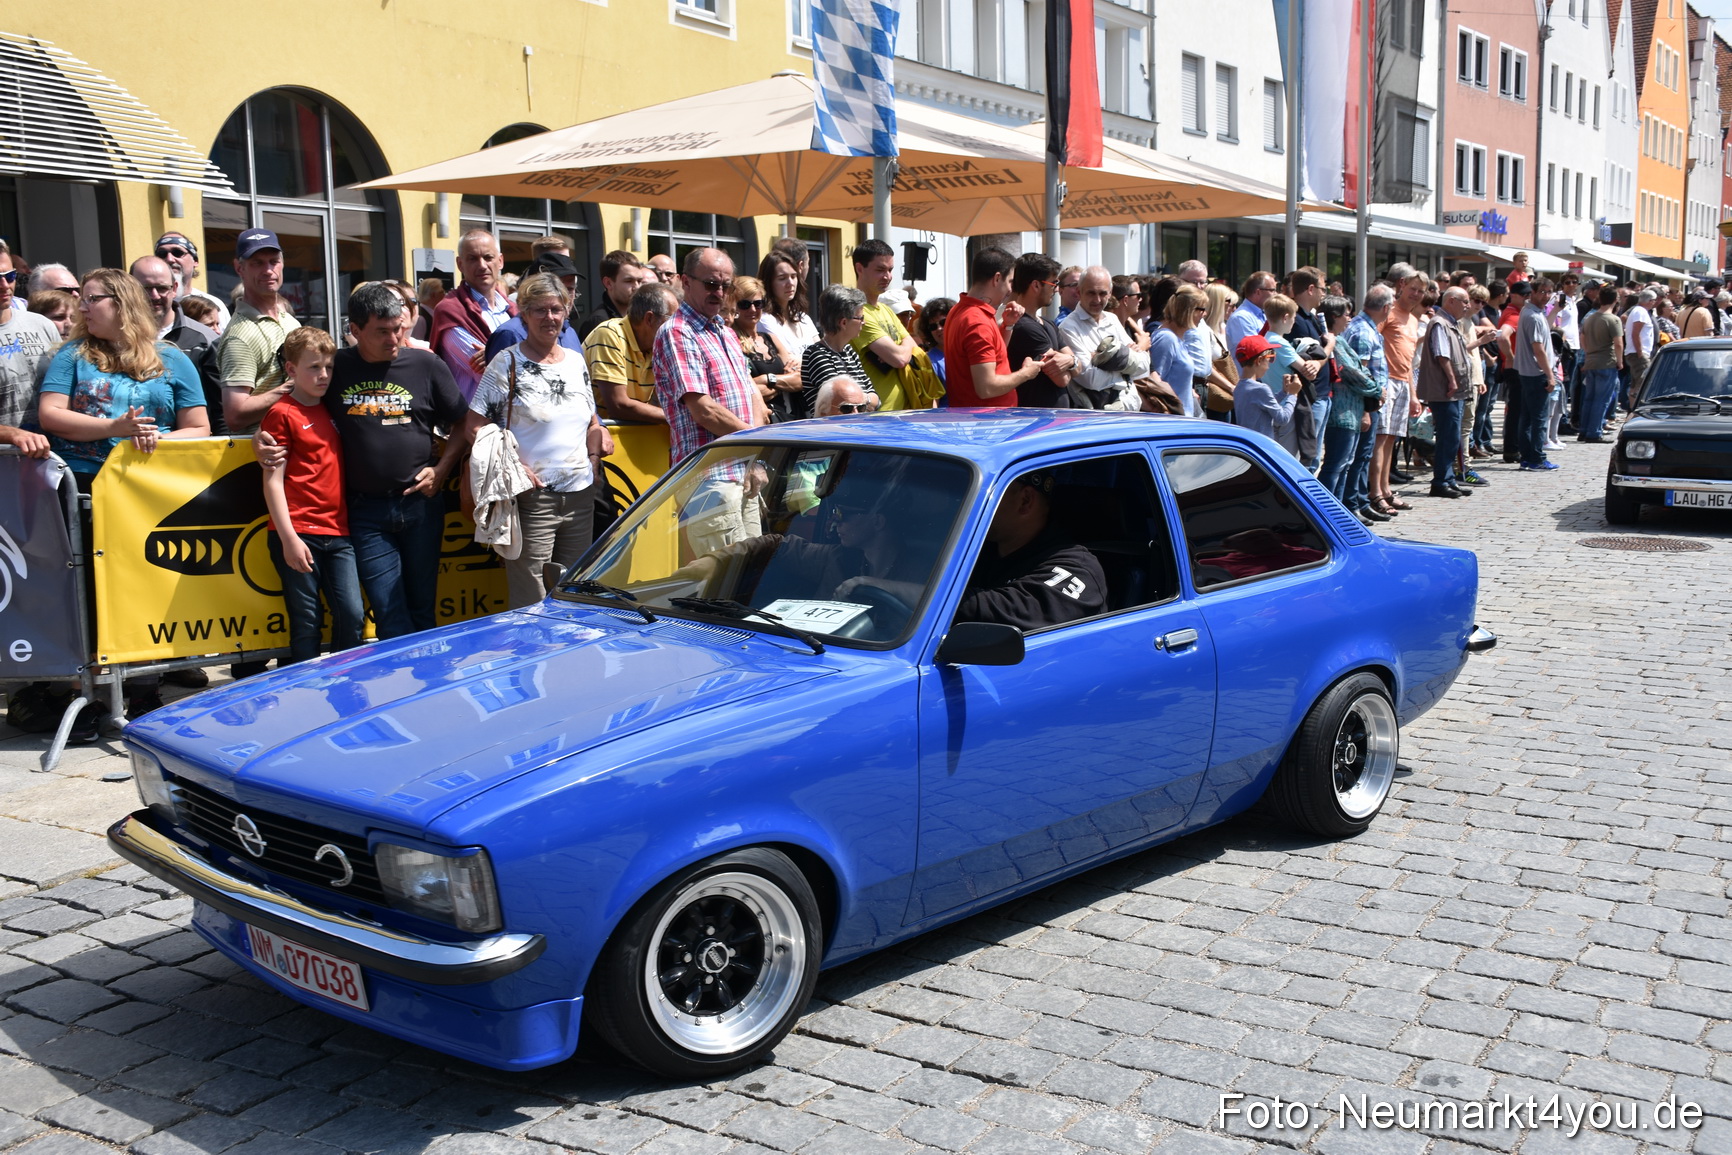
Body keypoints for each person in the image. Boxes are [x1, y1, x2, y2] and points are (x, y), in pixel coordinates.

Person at [38, 269, 211, 716]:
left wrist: (150, 439)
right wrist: (115, 429)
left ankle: (144, 685)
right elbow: (51, 415)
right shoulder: (71, 355)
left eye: (91, 299)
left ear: (120, 303)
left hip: (149, 495)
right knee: (88, 591)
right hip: (82, 490)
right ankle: (91, 689)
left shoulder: (172, 359)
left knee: (144, 587)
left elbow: (199, 429)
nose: (81, 307)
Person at [322, 282, 467, 638]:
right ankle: (399, 684)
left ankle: (425, 687)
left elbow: (465, 423)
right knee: (388, 610)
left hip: (420, 505)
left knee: (421, 608)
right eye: (382, 332)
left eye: (399, 329)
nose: (394, 339)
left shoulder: (426, 364)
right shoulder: (336, 367)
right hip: (365, 509)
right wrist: (267, 438)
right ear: (354, 331)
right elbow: (296, 404)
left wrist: (442, 468)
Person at [464, 273, 611, 609]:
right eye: (540, 310)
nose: (550, 317)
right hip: (531, 499)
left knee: (573, 595)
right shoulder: (507, 363)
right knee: (532, 600)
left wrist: (593, 458)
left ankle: (568, 660)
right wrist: (514, 468)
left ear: (566, 311)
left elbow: (591, 420)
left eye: (557, 309)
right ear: (524, 314)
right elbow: (474, 426)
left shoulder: (575, 362)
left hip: (580, 496)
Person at [259, 326, 364, 664]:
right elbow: (272, 480)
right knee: (307, 623)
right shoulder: (281, 413)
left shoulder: (332, 406)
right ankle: (305, 697)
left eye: (329, 367)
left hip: (338, 530)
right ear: (290, 370)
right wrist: (288, 538)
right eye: (313, 367)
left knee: (352, 616)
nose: (323, 375)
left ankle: (341, 687)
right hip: (298, 530)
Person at [951, 469, 1105, 630]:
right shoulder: (974, 549)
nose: (962, 505)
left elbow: (1018, 613)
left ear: (1025, 500)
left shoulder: (1077, 567)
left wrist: (928, 594)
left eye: (978, 495)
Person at [948, 247, 1055, 408]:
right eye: (1010, 281)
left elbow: (994, 358)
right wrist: (1025, 373)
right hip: (987, 423)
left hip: (979, 419)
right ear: (997, 278)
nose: (1011, 289)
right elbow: (987, 388)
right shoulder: (977, 321)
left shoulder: (961, 310)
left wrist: (1008, 325)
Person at [218, 228, 301, 434]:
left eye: (274, 261)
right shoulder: (240, 336)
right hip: (262, 454)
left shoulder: (288, 320)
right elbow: (235, 415)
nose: (268, 270)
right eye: (257, 263)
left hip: (296, 442)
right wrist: (296, 386)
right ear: (239, 268)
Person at [131, 255, 225, 435]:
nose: (154, 295)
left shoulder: (205, 339)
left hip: (187, 448)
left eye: (161, 288)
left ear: (174, 288)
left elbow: (220, 409)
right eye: (146, 288)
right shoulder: (117, 337)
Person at [1328, 286, 1393, 524]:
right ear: (1385, 307)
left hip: (1363, 405)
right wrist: (1370, 405)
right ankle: (1349, 505)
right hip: (1355, 407)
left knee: (1356, 458)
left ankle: (1355, 504)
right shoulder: (1362, 332)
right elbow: (1356, 373)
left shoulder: (1362, 328)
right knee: (1349, 460)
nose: (1349, 316)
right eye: (1345, 313)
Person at [429, 229, 514, 401]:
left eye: (488, 257)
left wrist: (496, 353)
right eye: (473, 259)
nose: (482, 265)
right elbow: (494, 376)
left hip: (518, 420)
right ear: (460, 264)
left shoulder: (513, 309)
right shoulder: (451, 310)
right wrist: (522, 351)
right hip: (475, 422)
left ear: (500, 261)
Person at [585, 281, 677, 424]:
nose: (677, 327)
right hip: (597, 438)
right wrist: (679, 418)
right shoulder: (609, 334)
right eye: (672, 319)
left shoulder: (657, 347)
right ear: (649, 319)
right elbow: (618, 405)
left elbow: (665, 402)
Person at [1058, 266, 1145, 410]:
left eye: (1102, 293)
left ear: (1110, 294)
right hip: (1097, 416)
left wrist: (1103, 361)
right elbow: (1090, 379)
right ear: (1079, 292)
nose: (1097, 299)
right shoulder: (1068, 327)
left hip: (1127, 410)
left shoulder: (1112, 319)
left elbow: (1143, 366)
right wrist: (1126, 363)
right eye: (1091, 293)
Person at [848, 239, 920, 410]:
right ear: (860, 269)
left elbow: (914, 345)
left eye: (890, 270)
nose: (887, 276)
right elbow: (900, 359)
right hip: (875, 415)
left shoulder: (886, 310)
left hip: (901, 413)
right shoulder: (857, 312)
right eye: (880, 270)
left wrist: (895, 349)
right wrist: (899, 349)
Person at [1417, 287, 1475, 498]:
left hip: (1453, 391)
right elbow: (1442, 355)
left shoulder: (1451, 323)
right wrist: (1452, 380)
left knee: (1453, 436)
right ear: (1451, 301)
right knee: (1447, 436)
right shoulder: (1440, 323)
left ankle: (1449, 479)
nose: (1468, 306)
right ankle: (1440, 481)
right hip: (1445, 391)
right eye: (1465, 301)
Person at [0, 249, 58, 454]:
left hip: (52, 458)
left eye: (10, 276)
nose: (5, 285)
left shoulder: (41, 325)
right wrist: (12, 434)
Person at [1004, 252, 1076, 408]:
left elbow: (1077, 368)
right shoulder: (1024, 327)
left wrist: (1071, 361)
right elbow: (1062, 379)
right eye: (1053, 284)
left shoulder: (1048, 324)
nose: (1056, 290)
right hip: (1038, 421)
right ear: (1036, 285)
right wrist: (1072, 362)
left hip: (1052, 420)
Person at [484, 253, 583, 363]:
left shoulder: (570, 332)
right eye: (557, 289)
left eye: (570, 289)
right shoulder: (510, 334)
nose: (565, 297)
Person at [730, 276, 798, 417]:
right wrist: (784, 384)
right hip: (759, 419)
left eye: (758, 303)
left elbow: (800, 379)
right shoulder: (731, 341)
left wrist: (767, 379)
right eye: (744, 304)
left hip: (786, 417)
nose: (753, 309)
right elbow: (745, 392)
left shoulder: (770, 338)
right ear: (734, 306)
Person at [1287, 268, 1334, 468]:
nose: (1324, 294)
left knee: (1314, 458)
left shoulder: (1311, 317)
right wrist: (1330, 345)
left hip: (1322, 394)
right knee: (1308, 460)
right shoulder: (1295, 319)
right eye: (1323, 289)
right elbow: (1310, 365)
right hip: (1310, 397)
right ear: (1311, 289)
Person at [802, 285, 874, 416]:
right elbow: (842, 400)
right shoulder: (816, 355)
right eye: (860, 318)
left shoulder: (850, 351)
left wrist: (864, 399)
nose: (864, 323)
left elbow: (876, 399)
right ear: (844, 323)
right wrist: (865, 400)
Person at [1513, 277, 1559, 471]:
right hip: (1535, 372)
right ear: (1532, 292)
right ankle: (1536, 458)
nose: (1546, 296)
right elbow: (1538, 348)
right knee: (1538, 419)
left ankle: (1527, 456)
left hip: (1527, 372)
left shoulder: (1533, 312)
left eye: (1549, 292)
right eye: (1542, 292)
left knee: (1528, 418)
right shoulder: (1531, 315)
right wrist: (1550, 375)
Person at [1233, 334, 1302, 448]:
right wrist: (1293, 394)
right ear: (1259, 360)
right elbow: (1283, 418)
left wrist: (1283, 392)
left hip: (1249, 447)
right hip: (1263, 448)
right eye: (1270, 360)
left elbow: (1262, 406)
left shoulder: (1239, 388)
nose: (1269, 366)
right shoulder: (1261, 389)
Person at [1150, 285, 1207, 419]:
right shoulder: (1166, 338)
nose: (1205, 314)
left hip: (1184, 419)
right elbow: (1155, 381)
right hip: (1173, 421)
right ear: (1189, 311)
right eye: (1202, 309)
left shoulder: (1177, 338)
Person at [155, 232, 230, 330]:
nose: (169, 259)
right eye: (162, 254)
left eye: (177, 253)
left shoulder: (214, 304)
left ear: (195, 261)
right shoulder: (152, 303)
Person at [1577, 284, 1623, 442]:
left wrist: (1589, 351)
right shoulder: (1613, 319)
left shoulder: (1590, 318)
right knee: (1601, 399)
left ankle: (1584, 430)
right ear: (1615, 300)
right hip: (1606, 361)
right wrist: (1620, 361)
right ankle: (1594, 432)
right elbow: (1618, 343)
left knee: (1589, 398)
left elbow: (1582, 337)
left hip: (1591, 361)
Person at [578, 250, 653, 341]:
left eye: (639, 281)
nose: (637, 287)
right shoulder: (599, 322)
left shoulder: (638, 317)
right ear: (608, 283)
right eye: (629, 281)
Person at [1200, 283, 1239, 421]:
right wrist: (1230, 387)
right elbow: (1205, 366)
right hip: (1215, 395)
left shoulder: (1223, 327)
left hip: (1227, 394)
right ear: (1217, 302)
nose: (1233, 306)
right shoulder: (1203, 330)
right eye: (1229, 302)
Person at [1226, 270, 1276, 352]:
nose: (1276, 294)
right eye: (1272, 290)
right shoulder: (1241, 318)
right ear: (1258, 292)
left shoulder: (1264, 314)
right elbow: (1253, 352)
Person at [1623, 287, 1655, 406]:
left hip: (1635, 352)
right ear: (1649, 300)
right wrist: (1640, 352)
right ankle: (1635, 409)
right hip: (1638, 353)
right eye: (1653, 300)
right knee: (1643, 382)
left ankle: (1632, 409)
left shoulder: (1638, 311)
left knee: (1636, 383)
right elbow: (1635, 333)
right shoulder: (1640, 312)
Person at [915, 297, 953, 393]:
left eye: (943, 322)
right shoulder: (929, 361)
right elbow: (933, 401)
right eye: (933, 326)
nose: (939, 328)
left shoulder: (968, 352)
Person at [1111, 276, 1151, 353]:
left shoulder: (1131, 329)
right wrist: (1141, 347)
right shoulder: (1110, 330)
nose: (1141, 299)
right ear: (1125, 300)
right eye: (1138, 296)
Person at [411, 278, 445, 342]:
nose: (444, 295)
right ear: (433, 295)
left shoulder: (432, 314)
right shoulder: (420, 318)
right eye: (441, 292)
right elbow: (416, 345)